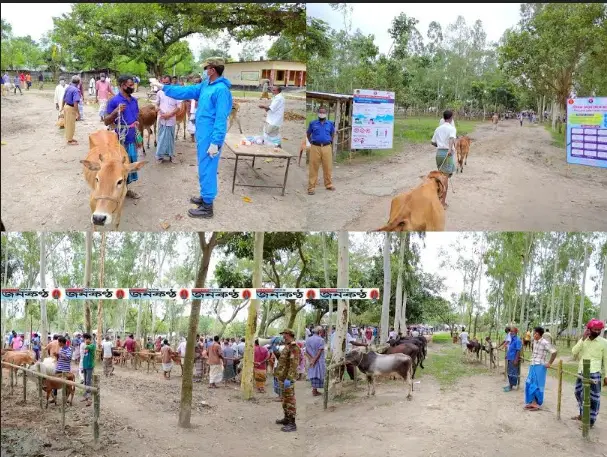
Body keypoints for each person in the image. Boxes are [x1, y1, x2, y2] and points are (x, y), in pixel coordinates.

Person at [151, 57, 233, 219]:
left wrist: (216, 142)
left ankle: (208, 207)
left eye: (206, 68)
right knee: (203, 167)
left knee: (208, 168)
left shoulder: (221, 90)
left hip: (211, 136)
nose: (204, 70)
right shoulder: (205, 85)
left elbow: (221, 118)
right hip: (203, 134)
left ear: (212, 70)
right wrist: (164, 87)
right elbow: (186, 91)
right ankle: (205, 197)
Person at [105, 75, 144, 199]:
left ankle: (126, 189)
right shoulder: (114, 101)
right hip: (120, 139)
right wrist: (115, 111)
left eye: (133, 85)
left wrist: (138, 137)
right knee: (118, 165)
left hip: (132, 137)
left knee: (130, 164)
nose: (132, 87)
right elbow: (106, 122)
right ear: (122, 85)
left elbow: (136, 119)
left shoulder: (134, 101)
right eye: (130, 85)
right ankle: (115, 190)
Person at [571, 319, 607, 428]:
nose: (597, 331)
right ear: (589, 329)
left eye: (599, 330)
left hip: (594, 372)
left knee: (593, 398)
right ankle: (583, 415)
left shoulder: (604, 342)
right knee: (578, 393)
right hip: (582, 371)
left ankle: (590, 421)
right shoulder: (583, 340)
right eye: (594, 329)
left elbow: (606, 359)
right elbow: (574, 352)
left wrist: (606, 376)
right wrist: (582, 338)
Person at [525, 327, 557, 411]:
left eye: (534, 333)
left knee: (537, 385)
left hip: (540, 366)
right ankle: (532, 402)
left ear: (537, 334)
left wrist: (549, 363)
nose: (533, 334)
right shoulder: (534, 341)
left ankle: (536, 403)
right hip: (533, 365)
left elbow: (554, 352)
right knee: (530, 383)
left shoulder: (544, 342)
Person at [275, 329, 301, 432]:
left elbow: (293, 364)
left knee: (290, 400)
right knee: (285, 399)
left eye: (284, 334)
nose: (283, 336)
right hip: (283, 377)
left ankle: (292, 423)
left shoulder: (294, 347)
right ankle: (286, 418)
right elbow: (283, 361)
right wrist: (275, 352)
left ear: (289, 335)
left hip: (287, 378)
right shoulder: (287, 346)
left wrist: (289, 379)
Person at [306, 106, 336, 195]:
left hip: (327, 147)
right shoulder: (313, 123)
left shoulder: (330, 124)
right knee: (313, 167)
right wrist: (311, 141)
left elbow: (332, 133)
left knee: (327, 167)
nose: (321, 114)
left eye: (323, 112)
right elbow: (308, 134)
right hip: (315, 147)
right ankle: (311, 187)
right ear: (318, 113)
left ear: (326, 114)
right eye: (320, 112)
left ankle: (328, 184)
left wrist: (330, 141)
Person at [431, 110, 457, 208]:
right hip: (447, 154)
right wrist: (449, 149)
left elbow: (432, 142)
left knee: (441, 175)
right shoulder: (452, 128)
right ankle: (442, 203)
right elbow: (451, 139)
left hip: (439, 154)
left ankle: (438, 198)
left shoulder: (438, 128)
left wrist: (440, 145)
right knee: (444, 178)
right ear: (451, 118)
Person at [155, 75, 181, 164]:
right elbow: (156, 104)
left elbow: (179, 107)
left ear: (171, 82)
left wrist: (169, 114)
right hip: (162, 119)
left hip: (171, 119)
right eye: (164, 83)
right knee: (161, 138)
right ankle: (159, 156)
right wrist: (160, 112)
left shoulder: (176, 92)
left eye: (167, 83)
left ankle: (171, 156)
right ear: (162, 82)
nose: (165, 84)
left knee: (170, 138)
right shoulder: (159, 92)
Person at [305, 326, 326, 397]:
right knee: (319, 374)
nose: (323, 333)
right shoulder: (321, 340)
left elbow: (306, 351)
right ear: (320, 332)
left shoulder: (308, 339)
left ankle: (314, 390)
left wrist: (311, 359)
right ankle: (315, 391)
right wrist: (314, 360)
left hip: (311, 360)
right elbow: (319, 352)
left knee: (313, 374)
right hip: (319, 360)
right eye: (323, 332)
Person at [61, 75, 81, 146]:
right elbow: (75, 102)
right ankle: (69, 140)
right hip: (70, 108)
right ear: (78, 82)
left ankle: (70, 138)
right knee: (70, 125)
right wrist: (78, 113)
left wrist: (62, 108)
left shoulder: (68, 87)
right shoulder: (75, 90)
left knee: (68, 124)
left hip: (66, 106)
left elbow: (63, 98)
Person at [52, 336, 72, 402]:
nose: (58, 343)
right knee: (54, 382)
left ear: (61, 342)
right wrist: (56, 355)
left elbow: (68, 358)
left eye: (58, 342)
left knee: (66, 384)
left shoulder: (69, 349)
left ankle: (65, 399)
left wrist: (60, 353)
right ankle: (54, 398)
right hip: (59, 368)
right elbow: (60, 358)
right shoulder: (61, 348)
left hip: (65, 369)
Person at [504, 327, 522, 392]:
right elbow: (511, 349)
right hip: (510, 358)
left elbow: (518, 350)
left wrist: (516, 359)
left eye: (513, 331)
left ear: (516, 332)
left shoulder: (518, 340)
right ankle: (510, 385)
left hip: (513, 359)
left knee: (513, 373)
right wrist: (507, 355)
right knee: (509, 372)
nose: (511, 333)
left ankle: (511, 386)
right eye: (511, 331)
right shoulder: (512, 340)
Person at [81, 333, 95, 406]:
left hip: (90, 365)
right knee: (85, 381)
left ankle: (89, 398)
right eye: (84, 339)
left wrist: (84, 344)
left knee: (88, 381)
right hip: (85, 365)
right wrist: (82, 366)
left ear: (89, 339)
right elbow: (84, 355)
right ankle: (86, 396)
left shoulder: (92, 345)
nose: (85, 340)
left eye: (86, 339)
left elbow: (86, 347)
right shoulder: (86, 346)